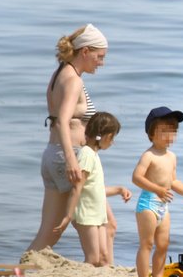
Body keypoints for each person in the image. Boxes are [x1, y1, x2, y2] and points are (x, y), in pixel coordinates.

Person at [29, 24, 122, 261]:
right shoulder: (74, 80)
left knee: (48, 232)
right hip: (68, 157)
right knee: (107, 225)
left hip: (53, 154)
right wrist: (72, 159)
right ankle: (102, 271)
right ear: (85, 51)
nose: (101, 62)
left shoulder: (60, 73)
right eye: (99, 56)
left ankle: (19, 274)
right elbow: (62, 119)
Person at [132, 107, 183, 277]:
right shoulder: (149, 155)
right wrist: (157, 189)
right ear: (151, 133)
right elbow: (136, 177)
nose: (169, 136)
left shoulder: (171, 156)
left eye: (173, 132)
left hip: (163, 207)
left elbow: (173, 181)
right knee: (147, 244)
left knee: (163, 245)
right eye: (164, 131)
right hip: (148, 204)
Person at [53, 112, 132, 266]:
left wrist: (118, 190)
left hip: (97, 215)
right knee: (93, 258)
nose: (112, 142)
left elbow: (95, 189)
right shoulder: (87, 154)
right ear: (106, 136)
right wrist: (68, 216)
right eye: (112, 138)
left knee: (103, 257)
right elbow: (77, 187)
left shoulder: (93, 155)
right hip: (86, 215)